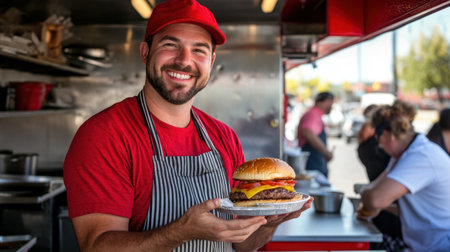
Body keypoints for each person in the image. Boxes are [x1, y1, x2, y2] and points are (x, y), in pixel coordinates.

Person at [63, 0, 313, 251]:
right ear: (145, 52)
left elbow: (242, 245)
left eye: (199, 50)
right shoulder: (104, 136)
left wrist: (269, 223)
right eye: (170, 45)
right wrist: (181, 232)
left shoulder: (223, 137)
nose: (184, 60)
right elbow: (97, 246)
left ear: (211, 61)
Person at [358, 101, 450, 252]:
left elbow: (375, 199)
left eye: (377, 137)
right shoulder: (405, 155)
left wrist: (368, 198)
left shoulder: (421, 156)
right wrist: (378, 205)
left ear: (387, 135)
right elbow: (377, 191)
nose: (379, 145)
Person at [297, 92, 334, 177]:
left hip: (316, 162)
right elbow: (308, 132)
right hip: (312, 163)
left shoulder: (315, 114)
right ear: (321, 102)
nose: (331, 105)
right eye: (330, 102)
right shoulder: (312, 115)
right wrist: (326, 152)